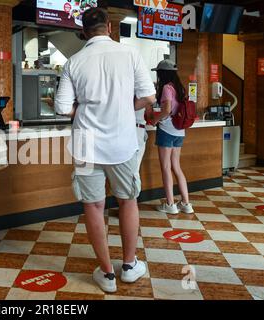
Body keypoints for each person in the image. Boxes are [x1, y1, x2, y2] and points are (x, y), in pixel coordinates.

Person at [55, 8, 156, 293]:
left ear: (84, 31)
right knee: (127, 200)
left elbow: (63, 107)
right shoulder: (130, 55)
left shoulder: (74, 62)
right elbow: (149, 96)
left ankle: (108, 274)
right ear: (109, 27)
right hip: (123, 142)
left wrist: (86, 108)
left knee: (93, 206)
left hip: (86, 144)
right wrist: (124, 106)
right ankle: (129, 265)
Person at [150, 59, 194, 214]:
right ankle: (186, 203)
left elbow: (167, 109)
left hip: (167, 130)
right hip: (179, 132)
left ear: (163, 73)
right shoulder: (179, 88)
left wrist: (155, 119)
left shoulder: (167, 88)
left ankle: (170, 204)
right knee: (176, 166)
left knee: (166, 167)